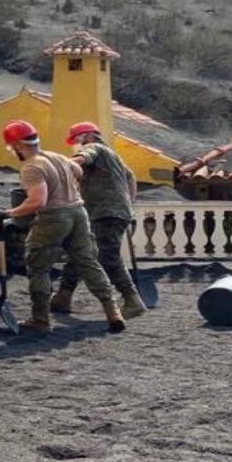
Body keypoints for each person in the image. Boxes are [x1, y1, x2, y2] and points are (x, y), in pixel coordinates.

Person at [0, 120, 125, 333]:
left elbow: (38, 201)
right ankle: (113, 312)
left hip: (54, 217)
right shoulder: (58, 157)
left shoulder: (32, 166)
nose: (12, 152)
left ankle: (40, 319)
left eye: (11, 148)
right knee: (88, 262)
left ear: (19, 145)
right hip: (78, 213)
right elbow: (79, 171)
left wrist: (10, 213)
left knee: (38, 265)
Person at [51, 121, 146, 319]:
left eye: (76, 140)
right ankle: (63, 296)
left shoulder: (94, 148)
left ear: (87, 136)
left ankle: (132, 300)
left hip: (106, 213)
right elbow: (131, 177)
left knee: (108, 256)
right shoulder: (113, 157)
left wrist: (56, 168)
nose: (75, 145)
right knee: (79, 250)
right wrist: (129, 202)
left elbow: (80, 159)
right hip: (107, 212)